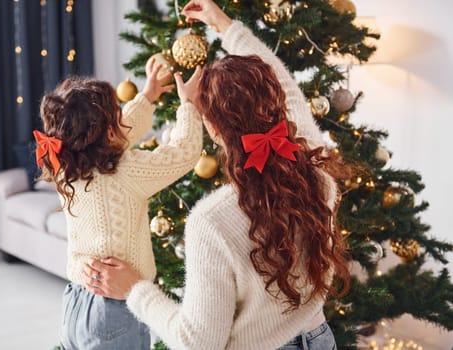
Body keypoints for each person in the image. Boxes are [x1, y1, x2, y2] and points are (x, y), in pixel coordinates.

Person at [82, 0, 354, 349]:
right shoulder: (317, 174)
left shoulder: (213, 222)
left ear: (211, 127)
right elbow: (287, 88)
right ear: (276, 106)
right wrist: (225, 25)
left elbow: (197, 343)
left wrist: (134, 289)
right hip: (319, 338)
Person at [34, 59, 203, 349]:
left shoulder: (66, 164)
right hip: (115, 309)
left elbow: (117, 133)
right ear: (108, 133)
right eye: (115, 117)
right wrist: (188, 105)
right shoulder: (126, 170)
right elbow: (183, 153)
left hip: (76, 302)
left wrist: (147, 97)